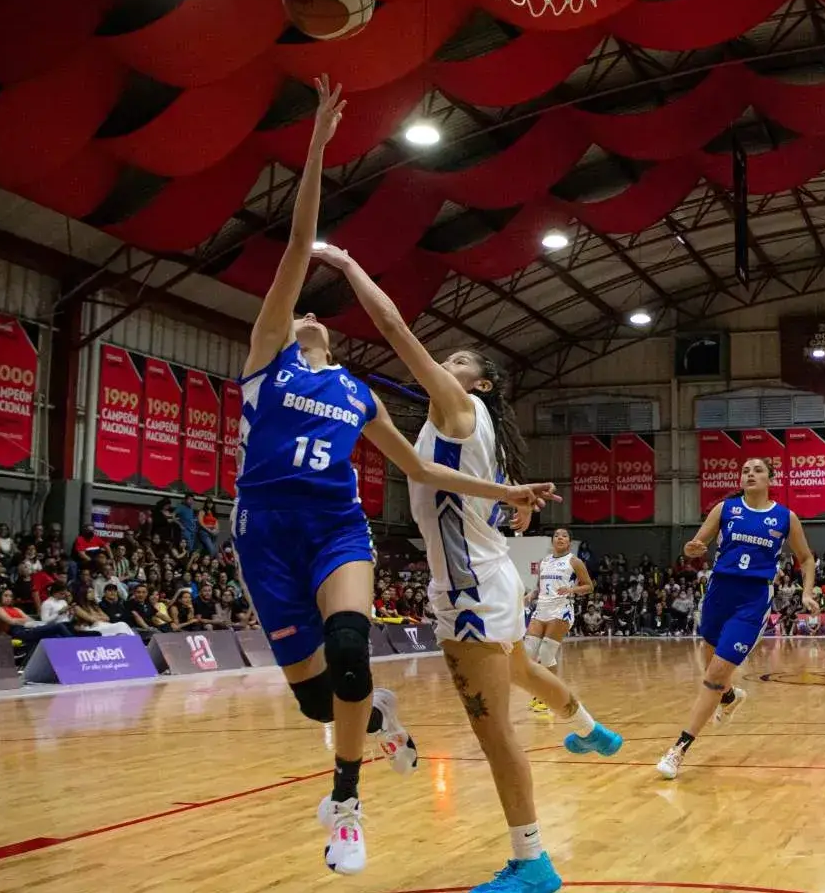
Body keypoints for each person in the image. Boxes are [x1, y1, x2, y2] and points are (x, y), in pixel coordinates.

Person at [237, 79, 557, 880]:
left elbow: (415, 469)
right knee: (323, 701)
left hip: (336, 529)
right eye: (302, 313)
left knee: (351, 648)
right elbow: (295, 246)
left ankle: (346, 805)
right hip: (264, 533)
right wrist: (315, 147)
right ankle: (375, 719)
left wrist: (504, 493)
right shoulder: (267, 361)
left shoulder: (356, 391)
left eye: (320, 318)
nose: (312, 316)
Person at [321, 240, 616, 893]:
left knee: (493, 727)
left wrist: (348, 265)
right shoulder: (453, 425)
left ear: (479, 383)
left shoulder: (459, 411)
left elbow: (395, 329)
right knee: (521, 672)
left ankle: (532, 861)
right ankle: (595, 732)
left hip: (473, 590)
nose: (441, 363)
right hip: (489, 581)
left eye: (455, 360)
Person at [656, 458, 820, 781]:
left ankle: (678, 749)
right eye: (745, 470)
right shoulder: (725, 509)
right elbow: (696, 547)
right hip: (719, 593)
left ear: (771, 479)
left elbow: (806, 558)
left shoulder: (785, 517)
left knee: (717, 671)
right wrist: (693, 549)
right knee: (710, 663)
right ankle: (729, 698)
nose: (750, 474)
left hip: (753, 600)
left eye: (758, 470)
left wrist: (807, 592)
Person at [522, 528, 594, 716]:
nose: (560, 538)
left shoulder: (574, 561)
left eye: (564, 536)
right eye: (557, 535)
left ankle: (550, 696)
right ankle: (542, 693)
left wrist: (571, 590)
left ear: (569, 542)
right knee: (529, 651)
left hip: (561, 609)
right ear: (552, 541)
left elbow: (589, 586)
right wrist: (531, 594)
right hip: (541, 608)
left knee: (546, 654)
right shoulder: (544, 561)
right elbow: (540, 586)